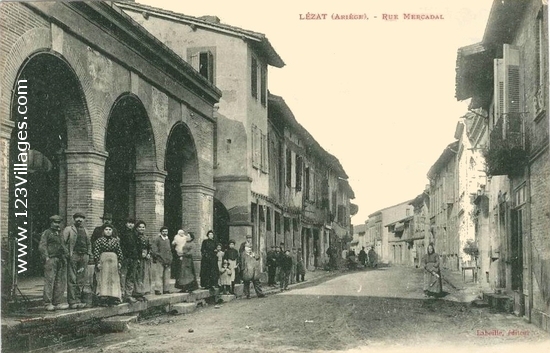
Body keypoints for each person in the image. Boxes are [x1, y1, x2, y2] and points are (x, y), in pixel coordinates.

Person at [39, 215, 70, 311]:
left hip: (60, 259)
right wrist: (46, 257)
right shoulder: (47, 233)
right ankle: (47, 303)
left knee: (59, 281)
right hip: (51, 259)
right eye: (55, 222)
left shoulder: (60, 233)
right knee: (49, 281)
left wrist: (66, 255)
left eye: (58, 222)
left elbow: (63, 245)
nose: (57, 224)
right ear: (51, 223)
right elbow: (42, 246)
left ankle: (57, 302)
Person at [63, 212, 91, 309]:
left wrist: (88, 254)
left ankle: (78, 300)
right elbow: (63, 243)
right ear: (74, 219)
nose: (79, 219)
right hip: (73, 255)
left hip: (83, 256)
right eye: (77, 218)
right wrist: (68, 254)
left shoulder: (85, 230)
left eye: (81, 218)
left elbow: (89, 244)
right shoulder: (69, 229)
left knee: (81, 279)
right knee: (72, 278)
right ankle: (72, 301)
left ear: (84, 220)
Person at [93, 224, 124, 306]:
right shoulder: (99, 241)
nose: (108, 231)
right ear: (103, 231)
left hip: (113, 261)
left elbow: (119, 251)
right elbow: (96, 252)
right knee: (104, 278)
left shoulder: (115, 241)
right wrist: (98, 262)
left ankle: (113, 297)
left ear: (112, 231)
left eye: (110, 229)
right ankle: (103, 298)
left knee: (113, 278)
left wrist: (120, 262)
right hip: (104, 260)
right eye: (106, 229)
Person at [119, 218, 139, 303]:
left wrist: (136, 257)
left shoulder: (135, 234)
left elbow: (137, 246)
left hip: (133, 258)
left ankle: (129, 295)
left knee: (131, 276)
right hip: (125, 258)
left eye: (132, 223)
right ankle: (121, 294)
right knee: (123, 275)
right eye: (129, 223)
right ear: (126, 224)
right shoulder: (122, 233)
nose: (130, 225)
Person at [151, 226, 173, 295]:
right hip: (160, 260)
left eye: (166, 231)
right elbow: (154, 249)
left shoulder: (168, 240)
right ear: (161, 232)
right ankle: (157, 289)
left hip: (167, 260)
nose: (165, 233)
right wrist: (158, 256)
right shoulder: (157, 239)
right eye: (163, 231)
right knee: (159, 275)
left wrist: (170, 258)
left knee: (166, 275)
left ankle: (166, 289)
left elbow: (169, 250)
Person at [134, 220, 151, 301]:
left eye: (143, 227)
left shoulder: (146, 237)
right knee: (137, 275)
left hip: (144, 259)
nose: (141, 229)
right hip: (137, 258)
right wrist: (139, 254)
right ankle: (136, 293)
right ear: (137, 228)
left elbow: (149, 247)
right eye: (140, 227)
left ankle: (142, 292)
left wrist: (148, 253)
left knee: (143, 275)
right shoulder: (135, 236)